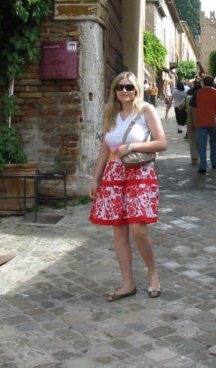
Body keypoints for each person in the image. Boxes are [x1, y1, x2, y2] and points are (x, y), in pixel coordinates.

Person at [88, 71, 167, 301]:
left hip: (139, 173)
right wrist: (95, 178)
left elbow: (162, 143)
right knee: (119, 229)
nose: (124, 91)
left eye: (129, 87)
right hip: (114, 174)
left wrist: (132, 147)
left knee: (138, 228)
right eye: (120, 87)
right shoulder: (111, 114)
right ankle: (127, 284)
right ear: (115, 91)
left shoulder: (146, 110)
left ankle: (153, 274)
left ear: (136, 90)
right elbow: (105, 148)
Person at [190, 75, 216, 174]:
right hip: (214, 122)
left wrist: (193, 121)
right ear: (212, 83)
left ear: (203, 83)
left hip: (201, 122)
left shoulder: (197, 93)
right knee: (214, 142)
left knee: (202, 144)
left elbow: (192, 109)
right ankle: (214, 161)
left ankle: (203, 166)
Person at [184, 80, 200, 165]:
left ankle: (194, 156)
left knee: (192, 140)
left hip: (189, 121)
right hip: (201, 121)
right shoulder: (201, 98)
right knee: (199, 139)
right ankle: (199, 154)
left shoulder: (188, 98)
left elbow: (180, 107)